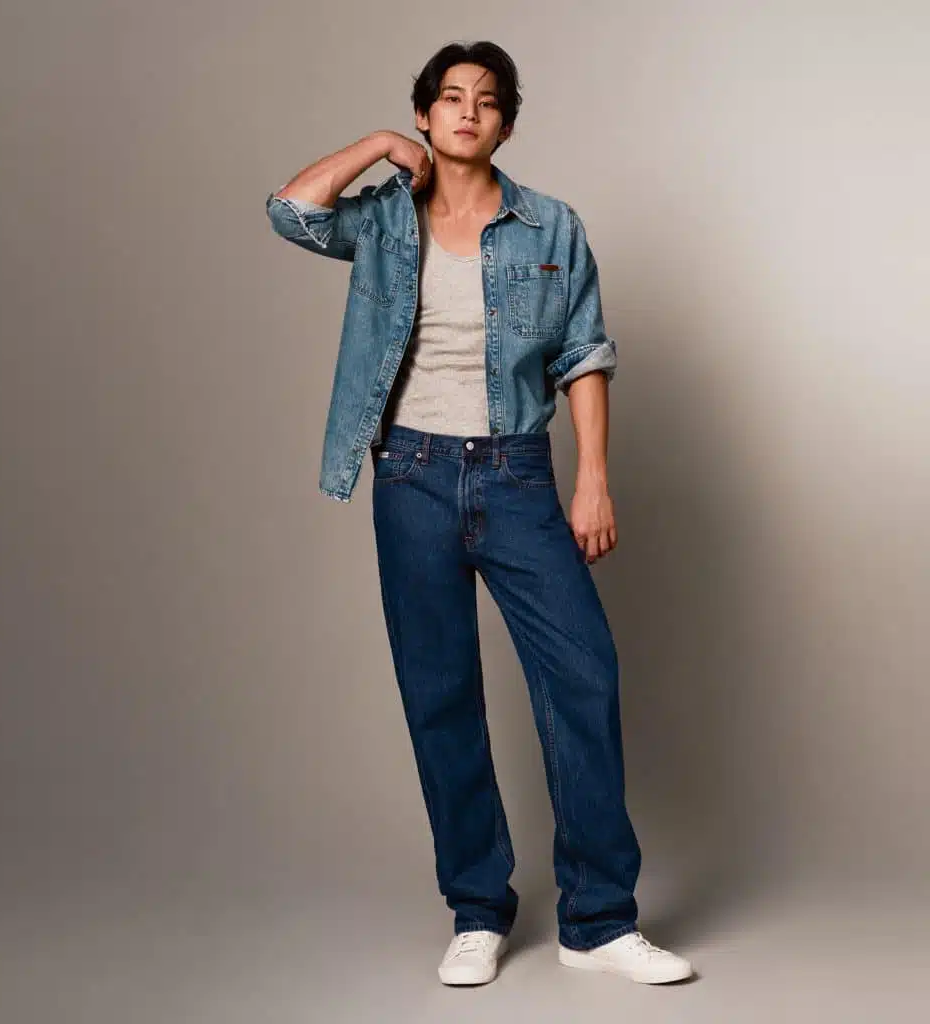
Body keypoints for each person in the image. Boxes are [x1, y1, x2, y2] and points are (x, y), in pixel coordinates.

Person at [265, 41, 694, 988]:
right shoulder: (384, 218)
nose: (468, 111)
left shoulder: (551, 225)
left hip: (516, 476)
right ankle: (476, 909)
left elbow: (584, 353)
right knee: (440, 693)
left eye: (487, 100)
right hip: (411, 475)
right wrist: (377, 144)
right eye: (449, 98)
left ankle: (598, 920)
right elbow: (291, 210)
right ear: (425, 115)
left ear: (506, 123)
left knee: (584, 674)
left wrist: (593, 480)